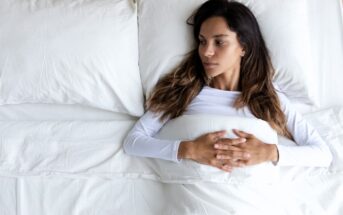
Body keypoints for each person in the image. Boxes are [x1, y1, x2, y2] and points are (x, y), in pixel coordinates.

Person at [123, 0, 332, 173]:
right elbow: (133, 142)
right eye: (202, 41)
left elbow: (322, 154)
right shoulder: (184, 92)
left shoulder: (268, 98)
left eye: (219, 42)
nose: (206, 52)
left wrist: (270, 152)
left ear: (244, 47)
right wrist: (189, 149)